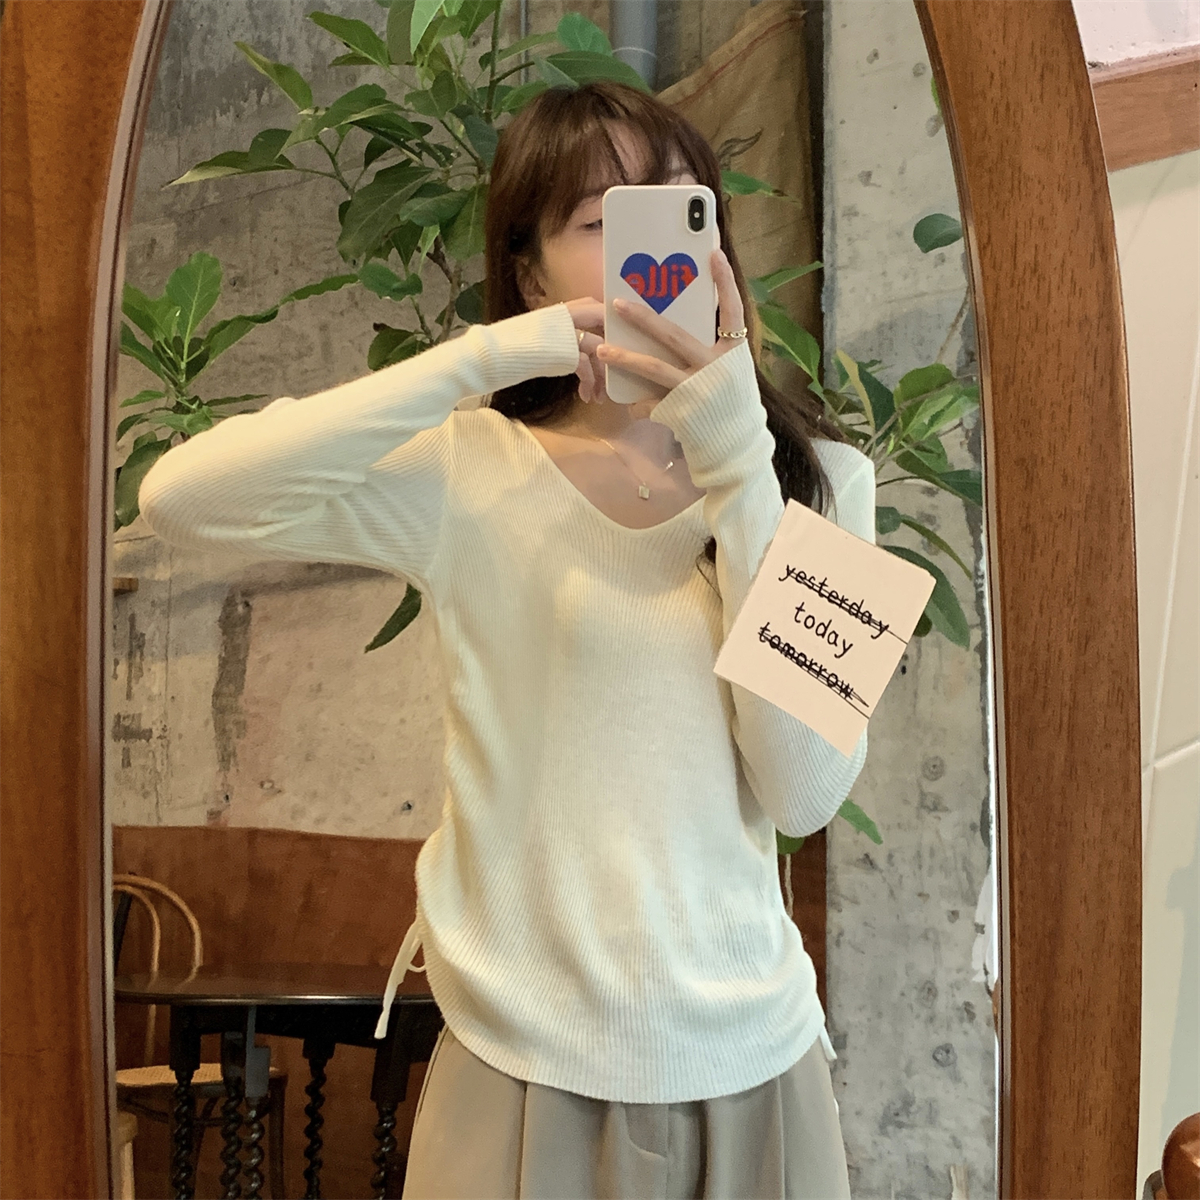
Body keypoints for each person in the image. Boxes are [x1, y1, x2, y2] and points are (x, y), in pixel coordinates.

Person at [138, 79, 873, 1200]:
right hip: (521, 1070)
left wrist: (734, 458)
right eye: (603, 219)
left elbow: (804, 791)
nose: (657, 251)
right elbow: (182, 497)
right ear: (530, 274)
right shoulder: (466, 470)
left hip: (759, 1073)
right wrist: (479, 361)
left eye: (685, 208)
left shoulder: (825, 482)